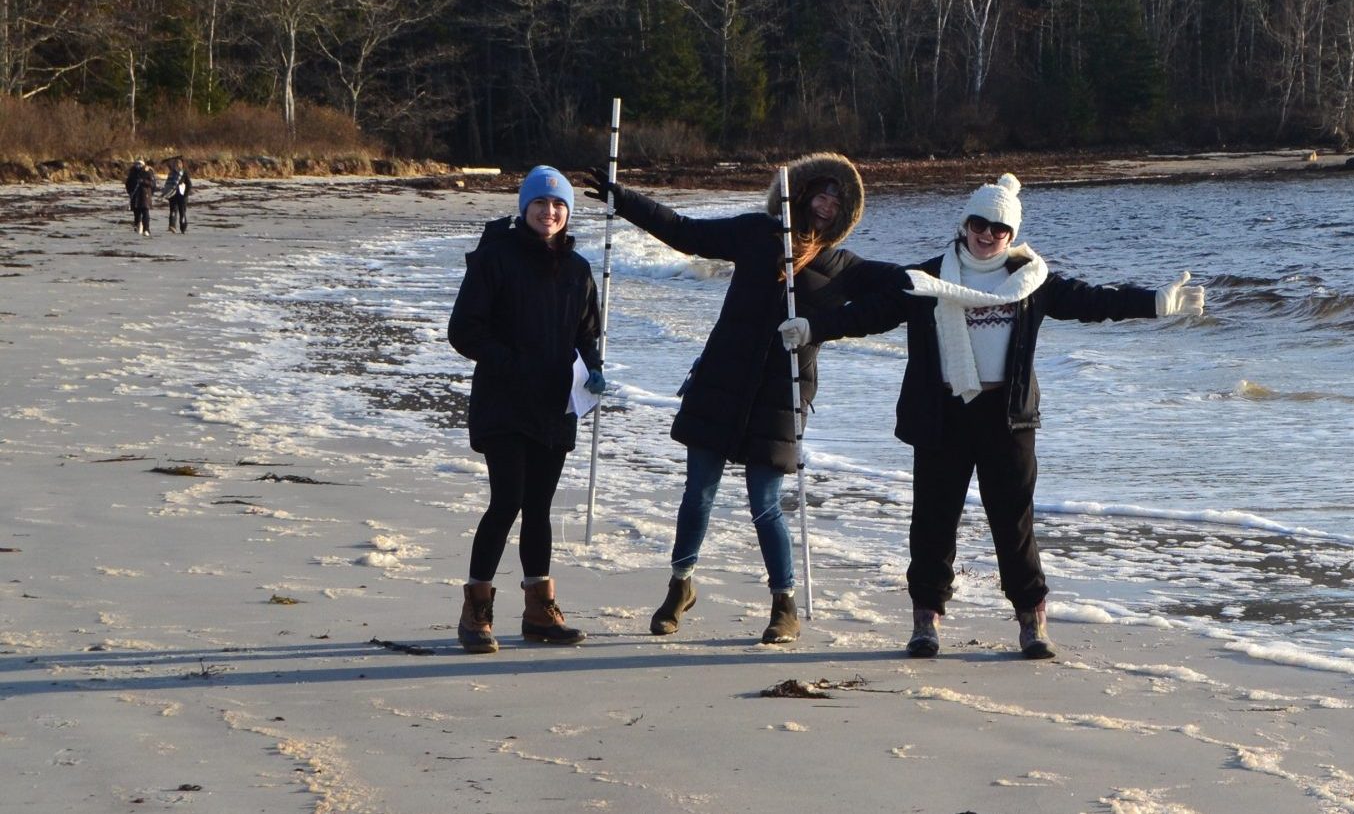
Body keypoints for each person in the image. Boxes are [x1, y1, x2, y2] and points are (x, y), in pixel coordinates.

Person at [792, 173, 1205, 660]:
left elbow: (1094, 301)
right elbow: (869, 313)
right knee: (932, 523)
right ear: (964, 223)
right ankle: (926, 621)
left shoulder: (1031, 280)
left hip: (1006, 418)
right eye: (978, 223)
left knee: (1013, 524)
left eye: (999, 228)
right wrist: (811, 327)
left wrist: (1156, 303)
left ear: (1012, 234)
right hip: (942, 414)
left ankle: (1032, 623)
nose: (987, 234)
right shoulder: (928, 279)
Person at [588, 153, 874, 646]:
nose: (826, 204)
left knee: (765, 503)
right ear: (800, 193)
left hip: (780, 396)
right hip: (721, 381)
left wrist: (976, 264)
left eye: (837, 199)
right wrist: (624, 199)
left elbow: (897, 293)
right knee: (698, 493)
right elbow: (686, 232)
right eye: (820, 193)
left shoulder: (841, 265)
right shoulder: (756, 234)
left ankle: (784, 605)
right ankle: (679, 588)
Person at [444, 166, 603, 654]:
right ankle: (476, 612)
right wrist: (512, 364)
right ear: (524, 207)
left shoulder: (577, 269)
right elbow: (464, 331)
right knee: (507, 499)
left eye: (558, 206)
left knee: (539, 506)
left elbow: (586, 335)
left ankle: (539, 611)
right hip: (504, 402)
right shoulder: (495, 259)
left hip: (556, 405)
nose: (549, 212)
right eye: (541, 203)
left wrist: (593, 371)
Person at [123, 159, 156, 236]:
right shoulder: (132, 172)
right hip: (135, 195)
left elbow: (153, 184)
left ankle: (146, 229)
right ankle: (137, 228)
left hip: (145, 195)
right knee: (136, 213)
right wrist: (130, 192)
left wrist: (143, 182)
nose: (138, 165)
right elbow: (128, 184)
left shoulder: (148, 171)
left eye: (139, 164)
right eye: (136, 164)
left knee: (145, 212)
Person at [163, 158, 191, 234]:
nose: (177, 165)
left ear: (182, 165)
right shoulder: (171, 173)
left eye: (179, 164)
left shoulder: (184, 173)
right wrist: (166, 193)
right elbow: (167, 184)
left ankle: (183, 228)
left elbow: (189, 185)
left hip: (182, 196)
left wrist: (185, 194)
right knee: (173, 211)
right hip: (173, 195)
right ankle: (172, 226)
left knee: (182, 212)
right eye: (176, 164)